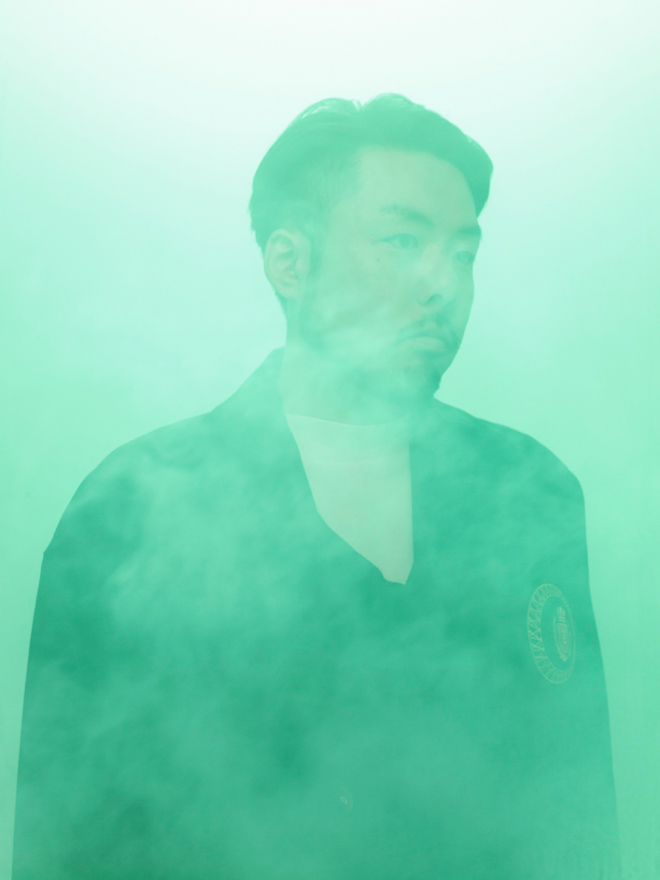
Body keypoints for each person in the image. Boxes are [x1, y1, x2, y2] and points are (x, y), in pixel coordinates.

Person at [13, 94, 621, 879]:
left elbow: (578, 814)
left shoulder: (531, 490)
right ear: (290, 262)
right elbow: (64, 836)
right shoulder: (129, 507)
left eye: (463, 252)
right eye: (402, 240)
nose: (443, 282)